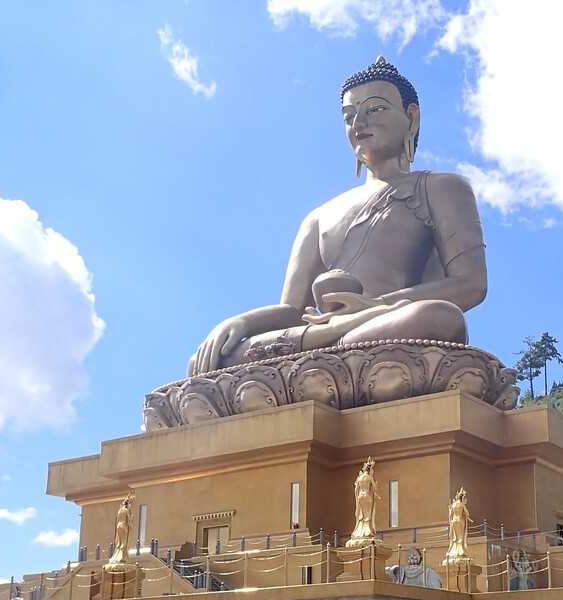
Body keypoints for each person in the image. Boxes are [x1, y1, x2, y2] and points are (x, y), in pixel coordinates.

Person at [187, 56, 488, 377]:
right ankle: (326, 357)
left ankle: (320, 361)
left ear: (411, 117)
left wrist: (376, 307)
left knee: (440, 318)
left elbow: (469, 285)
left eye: (375, 109)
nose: (359, 123)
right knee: (211, 360)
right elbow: (293, 310)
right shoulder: (318, 217)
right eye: (349, 115)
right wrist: (240, 322)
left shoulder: (442, 187)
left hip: (389, 327)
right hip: (325, 335)